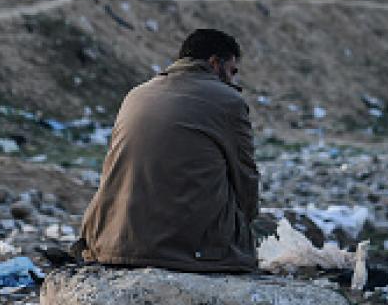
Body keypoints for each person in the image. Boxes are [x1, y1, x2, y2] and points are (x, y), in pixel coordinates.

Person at [78, 28, 259, 273]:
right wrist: (245, 228)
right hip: (187, 251)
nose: (233, 81)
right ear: (215, 63)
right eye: (232, 71)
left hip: (112, 242)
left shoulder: (137, 94)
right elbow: (245, 179)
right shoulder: (228, 101)